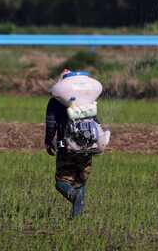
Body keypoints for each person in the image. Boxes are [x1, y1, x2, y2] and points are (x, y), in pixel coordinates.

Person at [44, 69, 108, 218]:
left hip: (63, 144)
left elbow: (51, 124)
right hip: (88, 144)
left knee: (61, 181)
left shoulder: (55, 101)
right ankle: (76, 215)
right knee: (80, 179)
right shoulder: (88, 99)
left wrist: (48, 141)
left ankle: (74, 197)